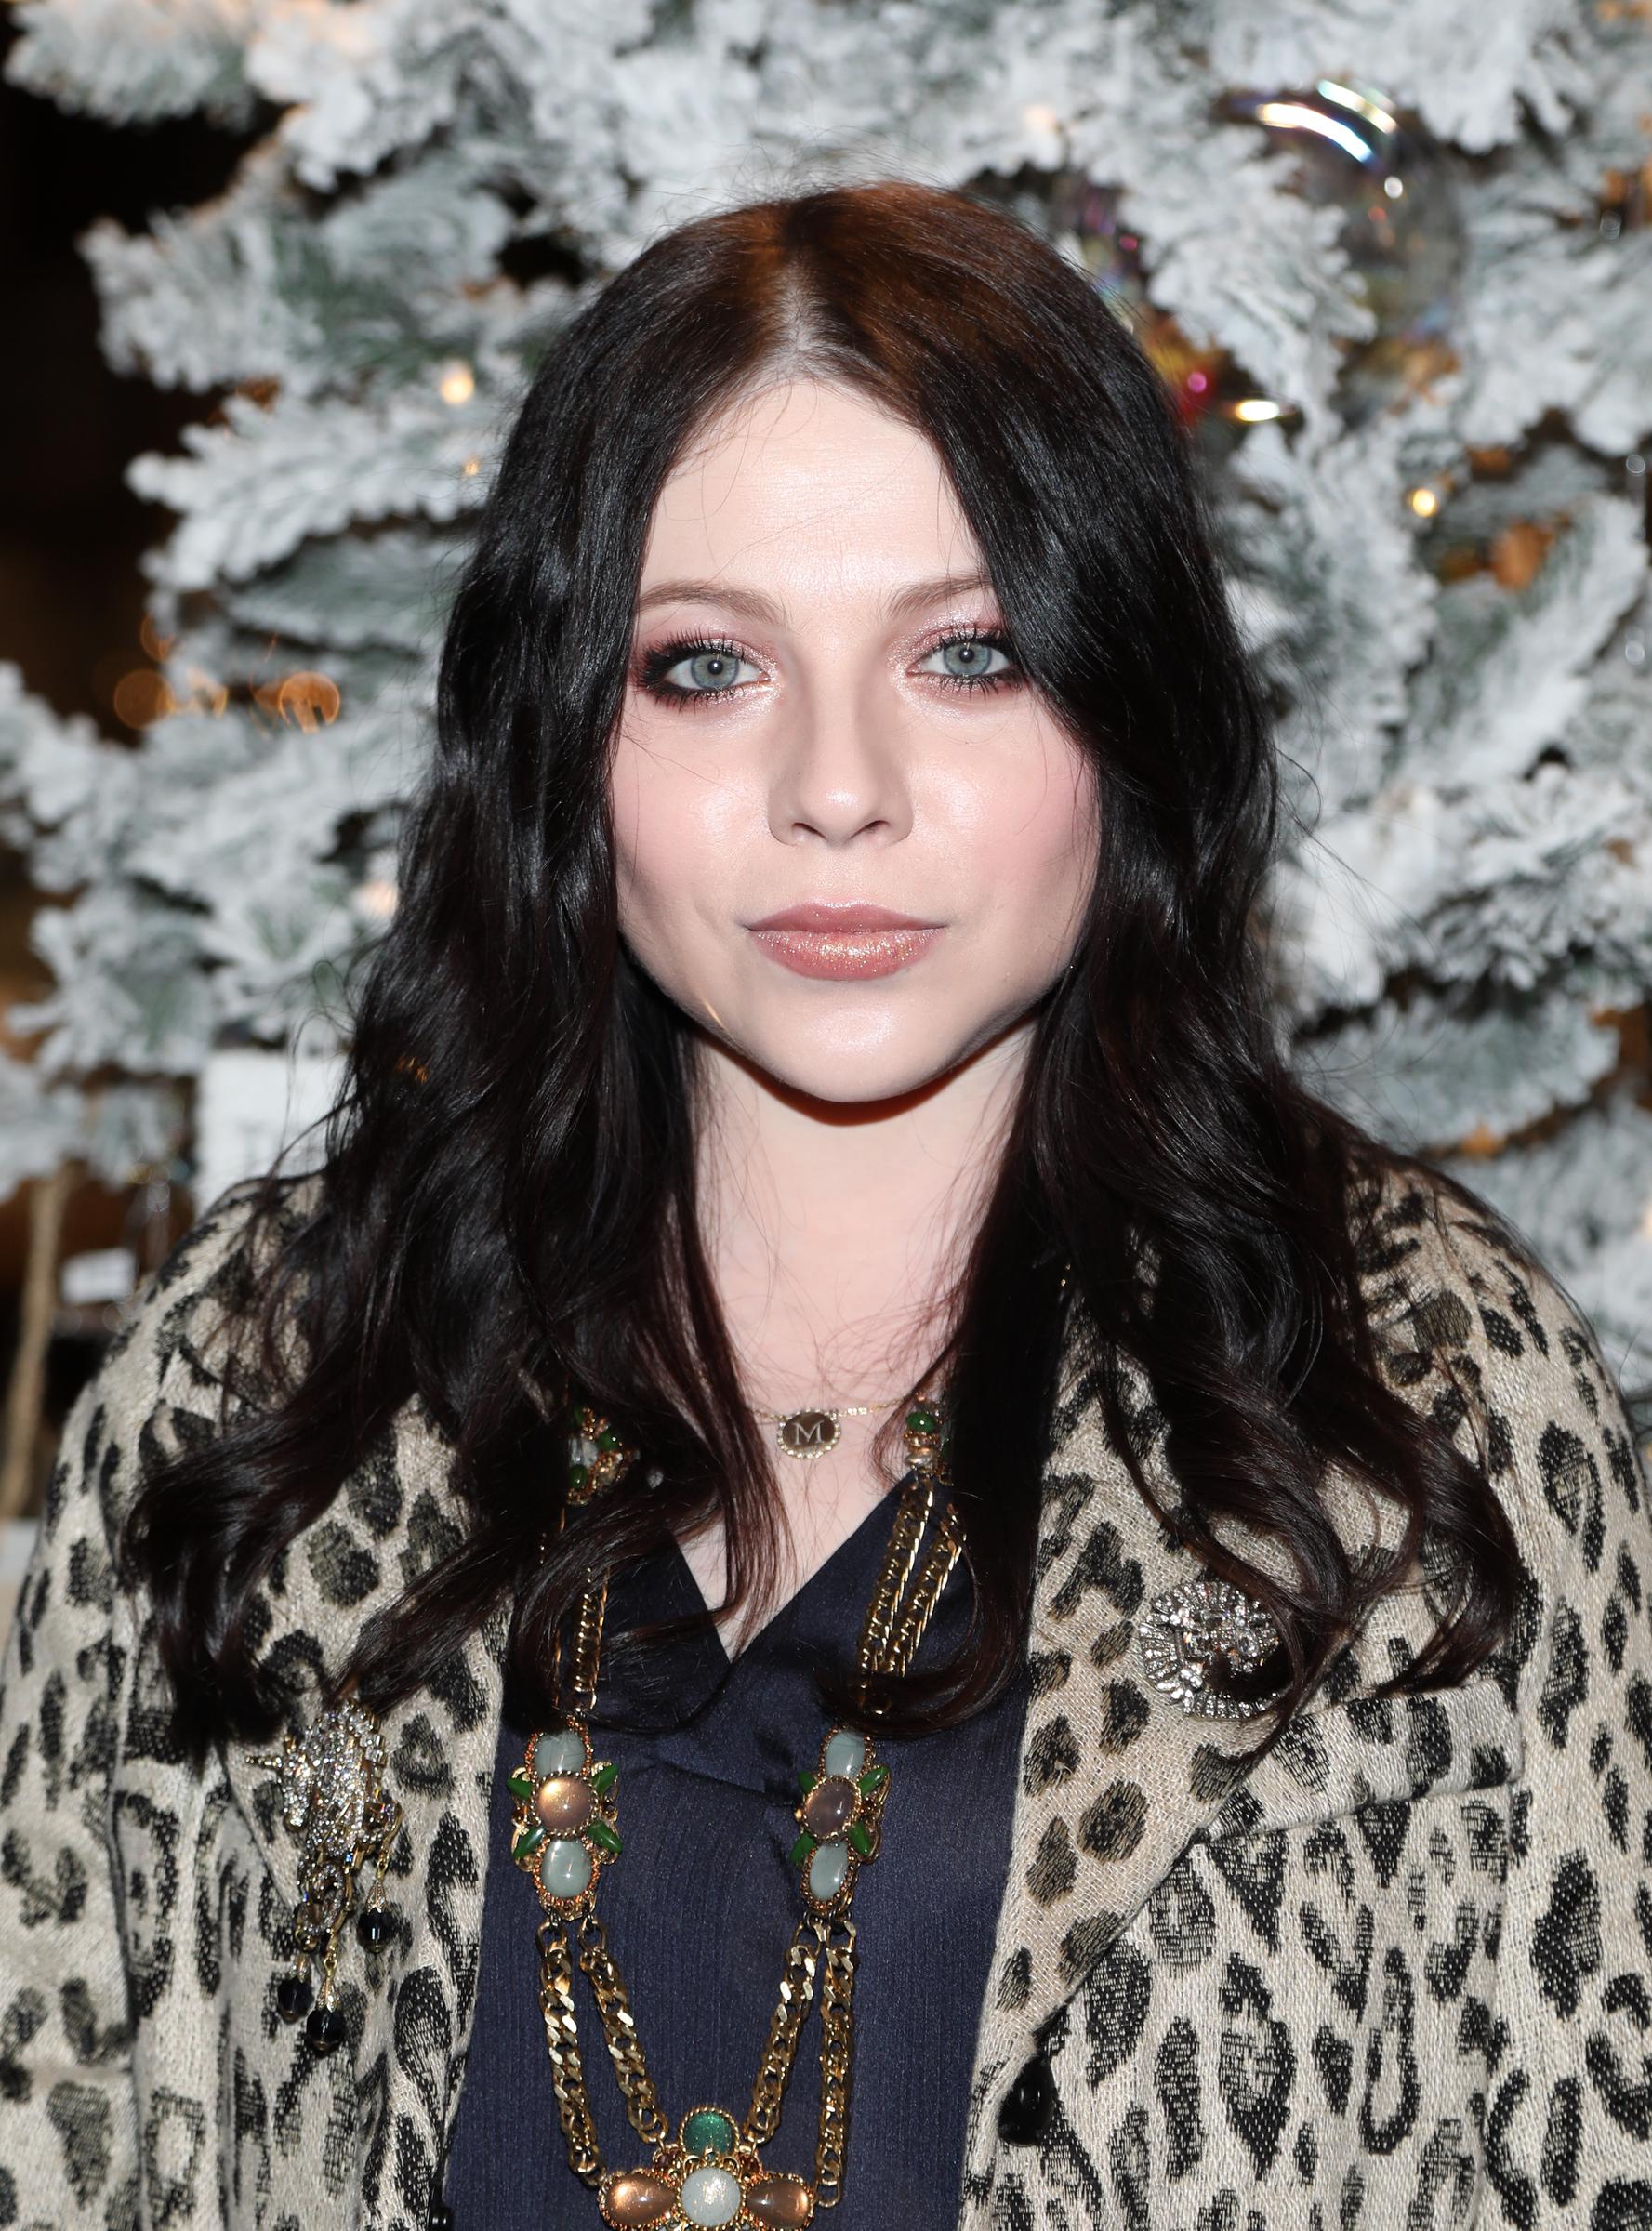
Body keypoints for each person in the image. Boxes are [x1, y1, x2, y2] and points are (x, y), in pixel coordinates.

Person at [2, 178, 1647, 2231]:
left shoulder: (1420, 1410)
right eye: (705, 668)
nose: (840, 787)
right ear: (562, 734)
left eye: (967, 653)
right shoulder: (279, 1371)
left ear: (1126, 706)